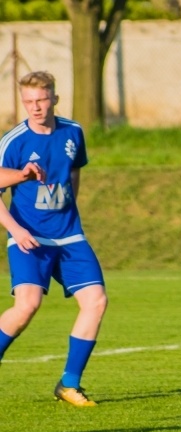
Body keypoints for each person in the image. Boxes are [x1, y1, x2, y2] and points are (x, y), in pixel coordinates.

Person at [0, 71, 108, 407]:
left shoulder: (73, 132)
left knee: (97, 301)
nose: (35, 107)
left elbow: (74, 170)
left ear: (54, 99)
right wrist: (16, 231)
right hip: (29, 236)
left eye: (41, 100)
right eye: (29, 101)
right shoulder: (14, 141)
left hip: (70, 235)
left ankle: (69, 384)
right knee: (28, 305)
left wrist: (69, 210)